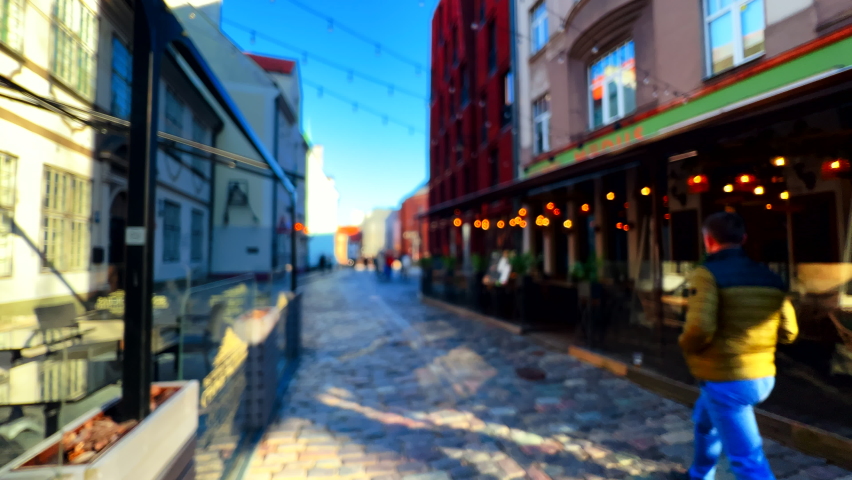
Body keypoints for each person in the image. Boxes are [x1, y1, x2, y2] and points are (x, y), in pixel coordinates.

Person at [679, 212, 798, 480]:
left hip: (728, 379)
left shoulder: (706, 274)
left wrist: (685, 346)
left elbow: (699, 329)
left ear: (708, 241)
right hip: (763, 376)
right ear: (743, 239)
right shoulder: (769, 276)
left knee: (748, 461)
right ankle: (699, 474)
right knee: (704, 422)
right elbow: (790, 332)